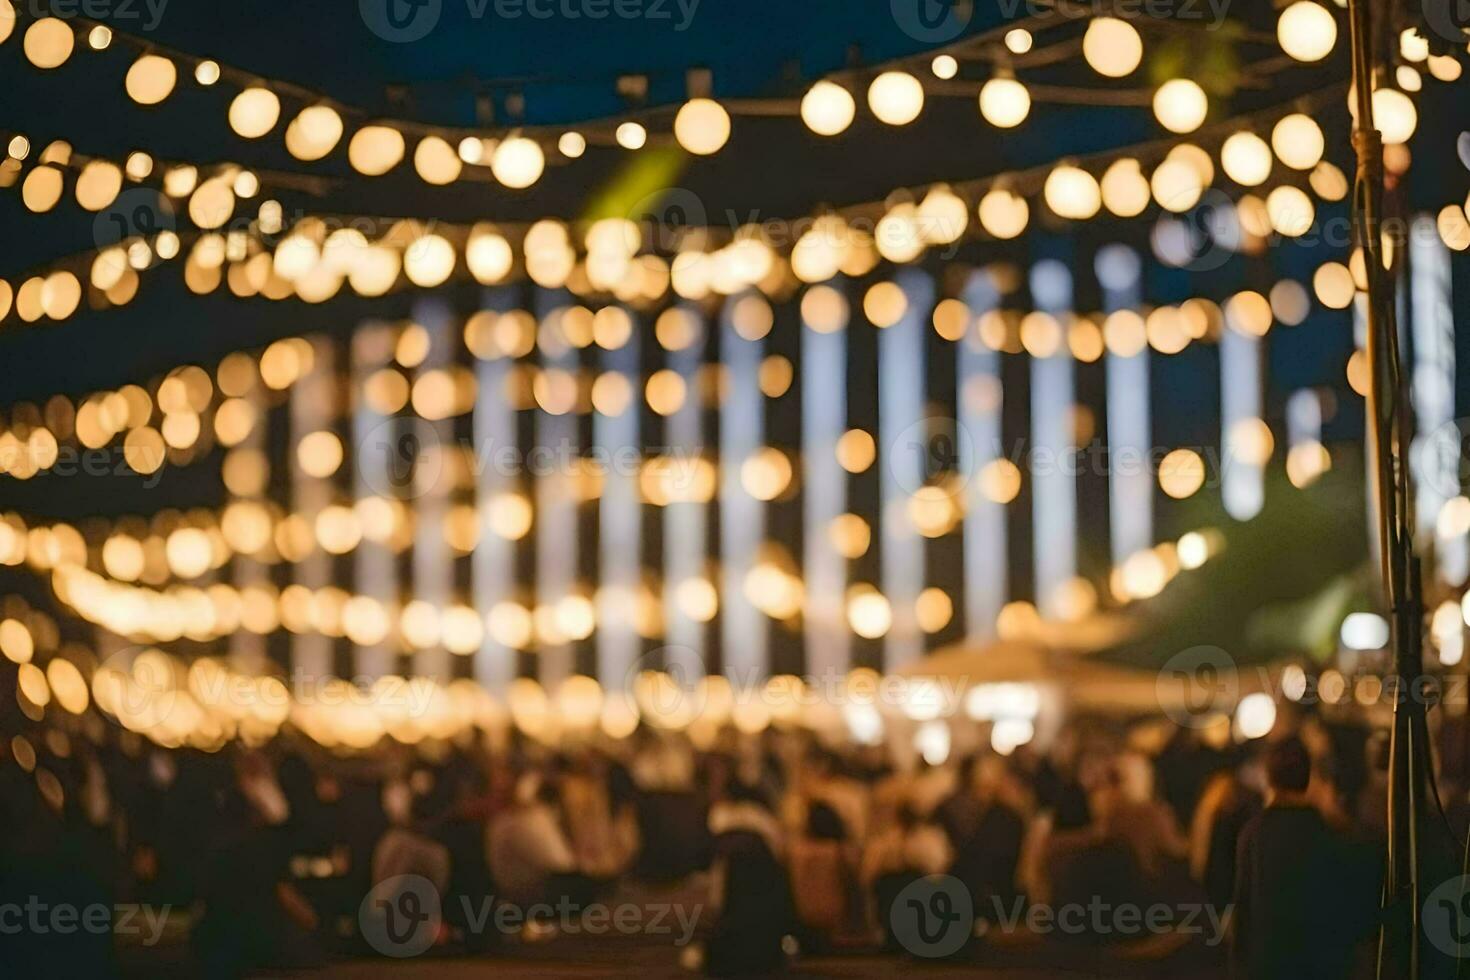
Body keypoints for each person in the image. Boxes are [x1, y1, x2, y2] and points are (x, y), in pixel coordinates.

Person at [1231, 737, 1358, 979]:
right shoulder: (1330, 832)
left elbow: (1243, 914)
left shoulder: (1254, 833)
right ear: (1308, 777)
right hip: (1318, 966)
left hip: (1269, 966)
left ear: (1268, 777)